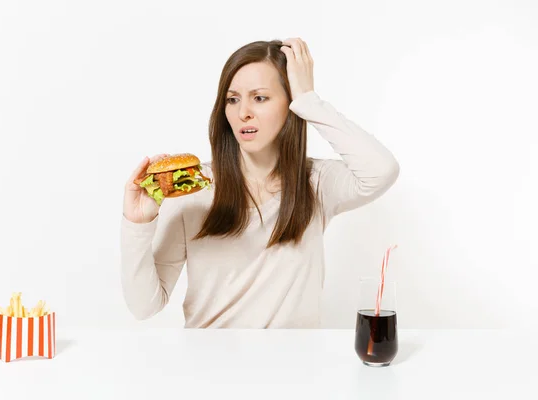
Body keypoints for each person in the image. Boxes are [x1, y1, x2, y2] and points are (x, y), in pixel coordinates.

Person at [120, 38, 400, 328]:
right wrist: (137, 224)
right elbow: (144, 306)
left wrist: (308, 100)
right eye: (232, 99)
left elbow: (382, 170)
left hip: (294, 367)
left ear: (290, 104)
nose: (243, 113)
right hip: (210, 366)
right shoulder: (195, 188)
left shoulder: (317, 183)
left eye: (260, 98)